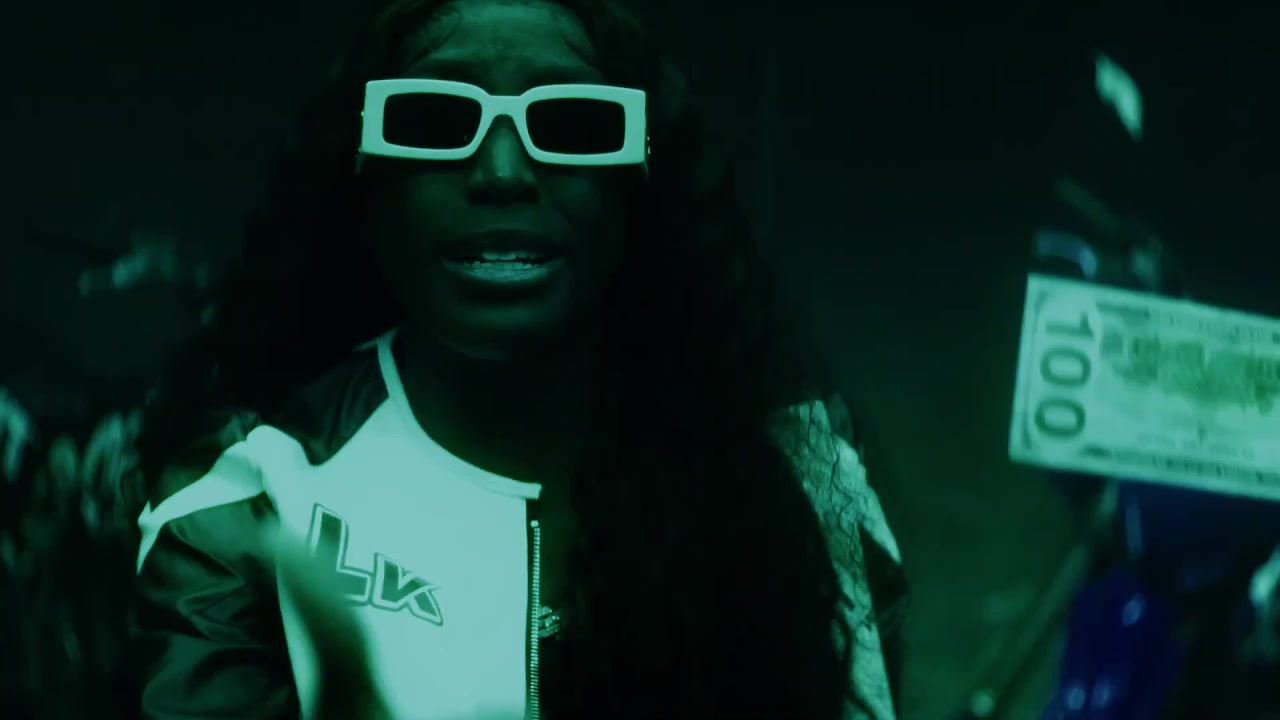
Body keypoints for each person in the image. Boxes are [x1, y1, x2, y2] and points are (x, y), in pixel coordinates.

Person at [131, 0, 906, 717]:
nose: (502, 172)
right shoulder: (247, 500)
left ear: (643, 180)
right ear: (364, 181)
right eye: (434, 118)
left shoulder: (798, 480)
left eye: (571, 123)